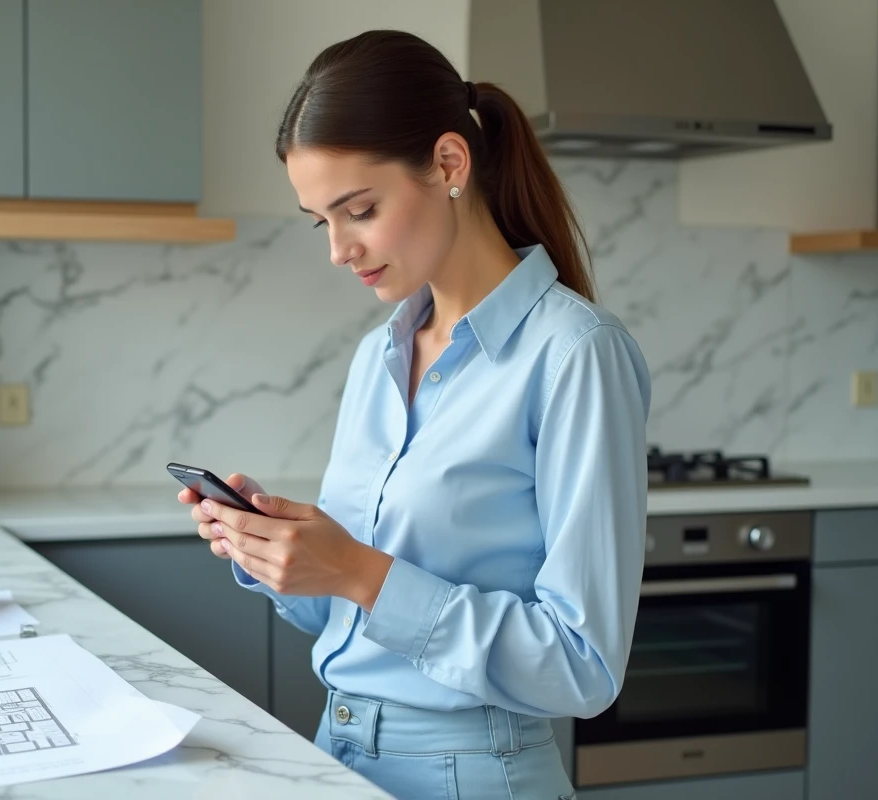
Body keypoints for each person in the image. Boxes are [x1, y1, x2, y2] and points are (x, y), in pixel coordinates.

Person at [177, 29, 651, 800]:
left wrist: (362, 571)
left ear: (449, 164)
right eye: (320, 220)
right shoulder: (381, 356)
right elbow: (353, 617)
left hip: (475, 773)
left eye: (358, 210)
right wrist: (273, 552)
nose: (339, 249)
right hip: (339, 750)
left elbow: (582, 666)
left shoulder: (575, 355)